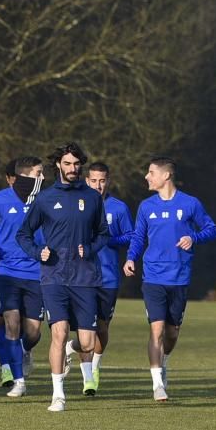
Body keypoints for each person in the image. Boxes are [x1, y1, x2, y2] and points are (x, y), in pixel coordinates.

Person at [15, 142, 108, 412]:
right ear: (58, 165)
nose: (72, 168)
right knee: (59, 331)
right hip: (53, 276)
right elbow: (23, 234)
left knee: (88, 342)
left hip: (84, 277)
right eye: (67, 164)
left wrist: (89, 249)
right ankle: (58, 395)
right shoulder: (44, 198)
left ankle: (70, 349)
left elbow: (104, 234)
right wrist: (37, 251)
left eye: (76, 164)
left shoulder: (92, 198)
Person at [124, 156, 216, 402]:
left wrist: (193, 238)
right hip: (153, 276)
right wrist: (131, 258)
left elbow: (212, 228)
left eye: (151, 172)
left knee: (172, 332)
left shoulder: (190, 204)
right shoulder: (146, 206)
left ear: (166, 176)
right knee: (156, 329)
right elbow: (137, 237)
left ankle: (164, 361)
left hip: (179, 277)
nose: (146, 176)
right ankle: (157, 385)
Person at [0, 156, 44, 398]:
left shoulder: (44, 200)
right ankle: (17, 380)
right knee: (9, 323)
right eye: (39, 173)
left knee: (33, 332)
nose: (43, 177)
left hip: (37, 272)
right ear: (25, 176)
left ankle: (23, 351)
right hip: (6, 272)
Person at [66, 162, 132, 394]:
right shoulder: (76, 203)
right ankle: (88, 379)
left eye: (102, 181)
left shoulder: (119, 208)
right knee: (86, 327)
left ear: (108, 181)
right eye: (93, 181)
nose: (98, 185)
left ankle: (87, 359)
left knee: (102, 328)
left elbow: (130, 236)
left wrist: (106, 240)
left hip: (108, 277)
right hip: (81, 277)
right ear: (86, 181)